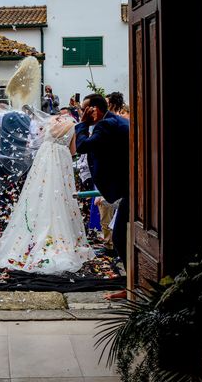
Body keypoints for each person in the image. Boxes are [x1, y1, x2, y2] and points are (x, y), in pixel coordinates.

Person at [0, 114, 95, 274]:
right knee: (60, 195)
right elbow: (73, 150)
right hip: (61, 159)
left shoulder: (50, 122)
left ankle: (33, 235)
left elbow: (40, 138)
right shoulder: (73, 125)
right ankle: (61, 240)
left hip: (44, 158)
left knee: (39, 194)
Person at [75, 94, 129, 298]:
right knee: (122, 235)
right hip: (128, 186)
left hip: (128, 187)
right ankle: (133, 284)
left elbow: (83, 147)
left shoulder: (105, 125)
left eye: (84, 109)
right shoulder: (117, 121)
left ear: (95, 109)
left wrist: (82, 125)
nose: (82, 113)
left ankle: (132, 286)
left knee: (119, 236)